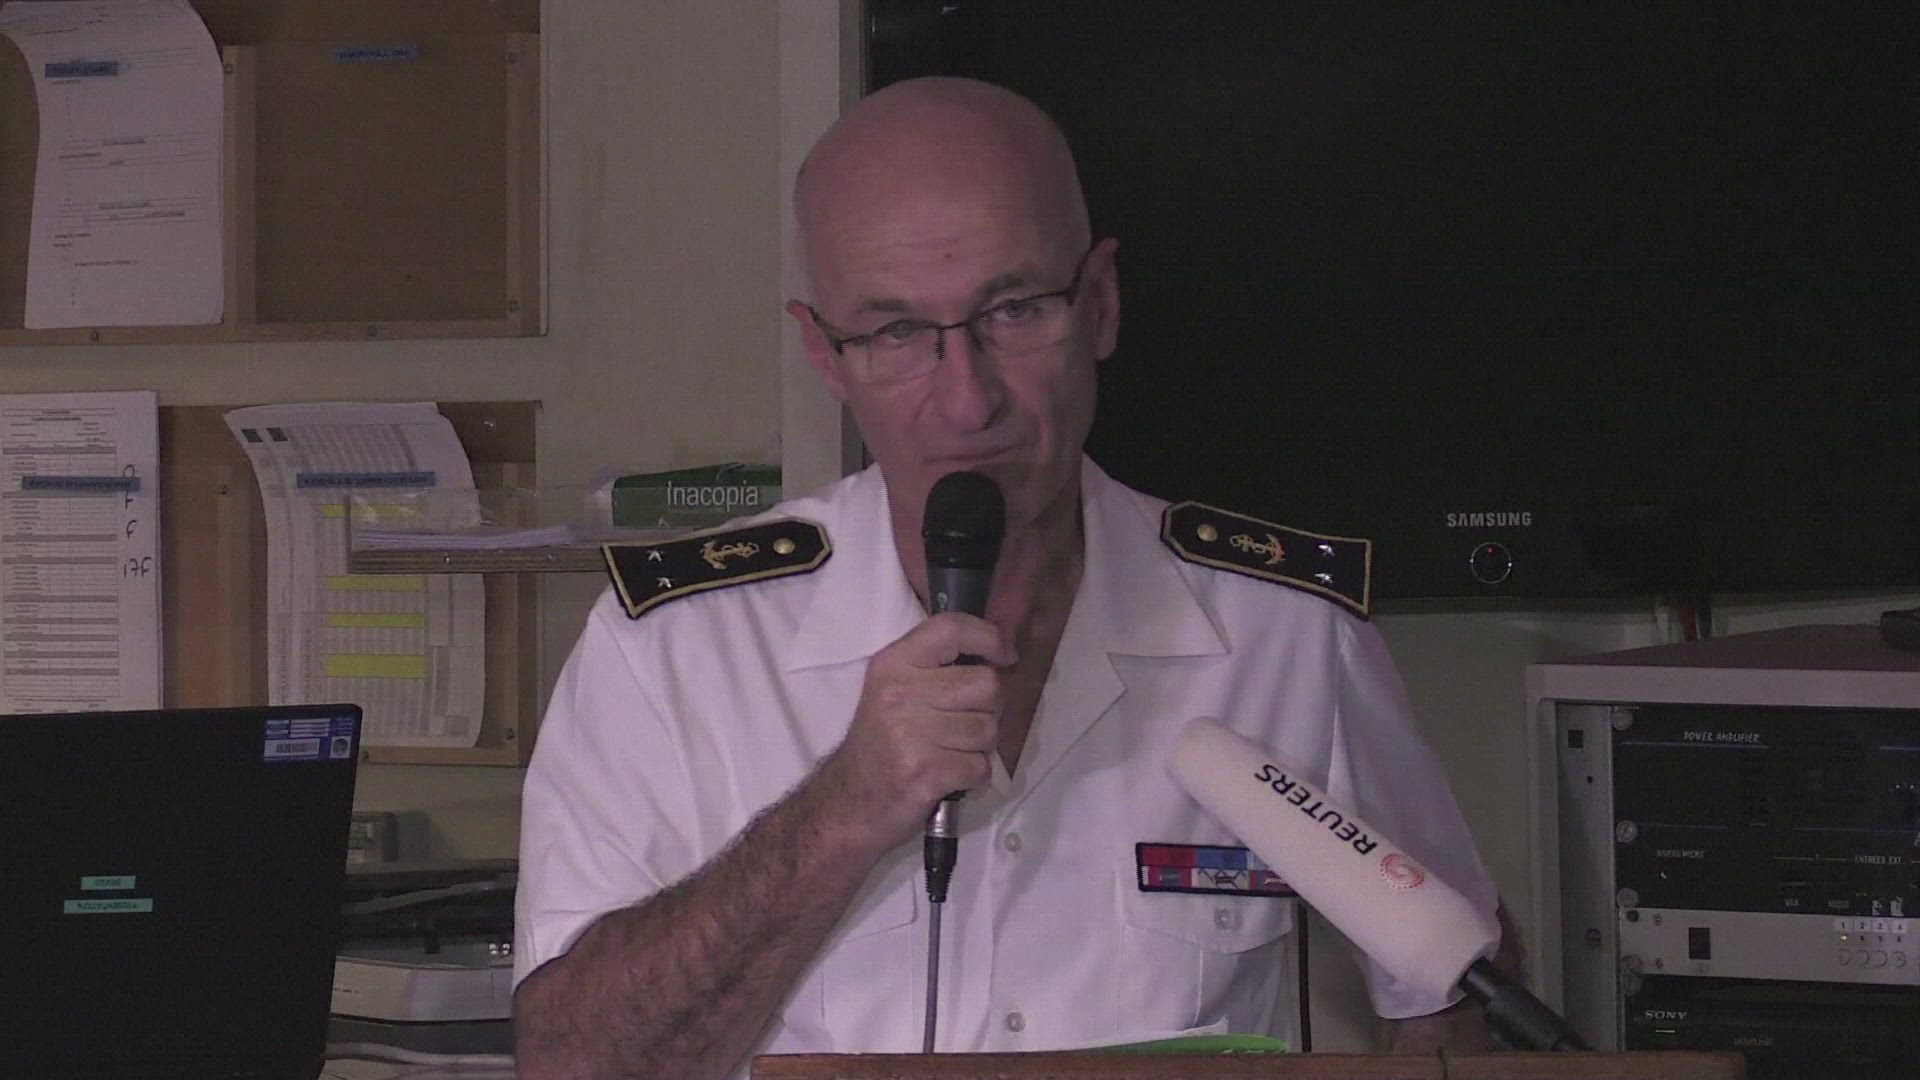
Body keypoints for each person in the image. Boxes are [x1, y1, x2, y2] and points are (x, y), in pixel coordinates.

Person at [512, 77, 1505, 1080]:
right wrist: (840, 813)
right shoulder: (676, 647)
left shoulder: (1285, 633)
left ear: (1101, 305)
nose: (967, 399)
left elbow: (1456, 1001)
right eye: (898, 333)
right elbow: (570, 1065)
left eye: (1014, 310)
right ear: (826, 355)